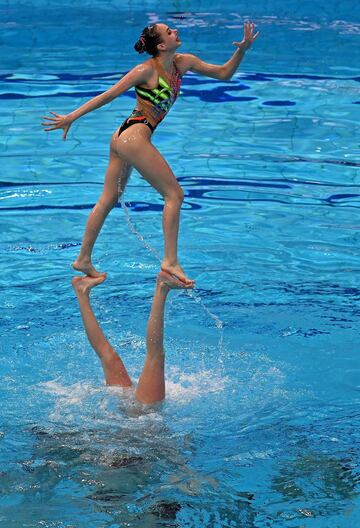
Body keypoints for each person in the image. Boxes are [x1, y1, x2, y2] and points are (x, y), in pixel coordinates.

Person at [42, 22, 259, 284]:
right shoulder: (145, 70)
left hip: (124, 135)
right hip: (133, 135)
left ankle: (83, 258)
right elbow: (108, 95)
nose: (176, 32)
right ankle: (170, 262)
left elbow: (224, 74)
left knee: (109, 199)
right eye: (169, 32)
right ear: (161, 45)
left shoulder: (184, 62)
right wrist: (72, 117)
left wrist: (242, 51)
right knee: (174, 195)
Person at [71, 270, 193, 405]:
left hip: (142, 415)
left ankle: (162, 288)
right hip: (124, 409)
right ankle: (81, 292)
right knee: (107, 355)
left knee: (155, 356)